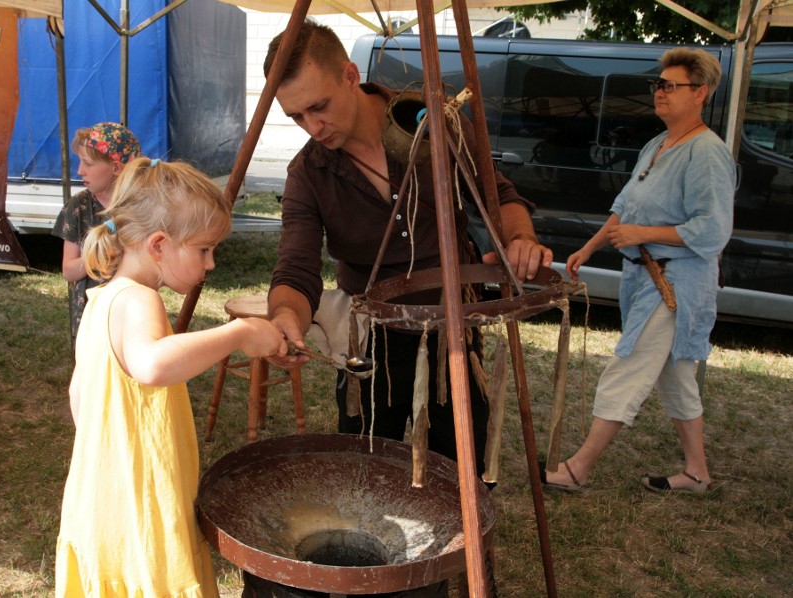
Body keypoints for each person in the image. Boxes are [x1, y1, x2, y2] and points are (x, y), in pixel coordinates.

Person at [263, 19, 552, 477]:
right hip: (369, 338)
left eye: (319, 107)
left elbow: (500, 198)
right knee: (367, 470)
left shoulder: (433, 122)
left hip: (453, 329)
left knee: (461, 469)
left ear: (351, 75)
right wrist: (285, 319)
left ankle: (463, 548)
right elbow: (296, 269)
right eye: (297, 117)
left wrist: (520, 240)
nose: (312, 127)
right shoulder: (308, 174)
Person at [55, 157, 288, 596]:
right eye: (204, 249)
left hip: (101, 505)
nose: (211, 263)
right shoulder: (140, 301)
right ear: (159, 245)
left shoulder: (100, 299)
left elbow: (79, 396)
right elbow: (153, 364)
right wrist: (238, 332)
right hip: (140, 513)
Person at [541, 48, 734, 494]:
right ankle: (697, 472)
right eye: (658, 84)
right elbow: (625, 209)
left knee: (627, 368)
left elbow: (712, 230)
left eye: (671, 85)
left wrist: (644, 232)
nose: (660, 92)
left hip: (676, 285)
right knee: (675, 375)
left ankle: (577, 468)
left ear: (700, 93)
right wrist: (588, 248)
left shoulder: (707, 153)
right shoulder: (658, 145)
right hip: (645, 278)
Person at [52, 122, 141, 347]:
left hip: (133, 312)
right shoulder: (79, 206)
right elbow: (69, 271)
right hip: (92, 318)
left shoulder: (140, 206)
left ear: (116, 168)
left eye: (88, 163)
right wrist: (100, 253)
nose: (80, 170)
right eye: (80, 162)